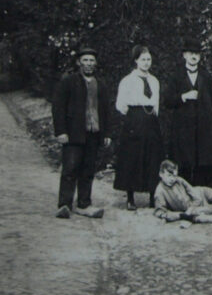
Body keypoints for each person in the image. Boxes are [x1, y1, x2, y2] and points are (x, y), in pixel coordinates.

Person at [52, 45, 111, 219]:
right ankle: (64, 204)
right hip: (73, 134)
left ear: (96, 63)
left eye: (92, 61)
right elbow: (58, 107)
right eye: (85, 60)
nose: (89, 64)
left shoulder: (101, 84)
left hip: (93, 133)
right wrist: (61, 131)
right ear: (79, 62)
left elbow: (106, 111)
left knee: (88, 170)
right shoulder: (69, 82)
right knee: (70, 169)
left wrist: (106, 133)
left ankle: (84, 203)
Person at [163, 42, 212, 186]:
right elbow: (167, 101)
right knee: (184, 162)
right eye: (190, 53)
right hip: (183, 127)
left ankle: (200, 195)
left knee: (203, 162)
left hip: (203, 127)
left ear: (200, 57)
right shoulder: (176, 75)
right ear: (184, 56)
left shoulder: (206, 76)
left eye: (196, 54)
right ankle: (183, 193)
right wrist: (183, 97)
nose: (194, 56)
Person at [114, 45, 163, 211]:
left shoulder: (154, 81)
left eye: (149, 59)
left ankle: (151, 197)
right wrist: (135, 118)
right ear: (136, 60)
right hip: (134, 120)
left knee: (152, 156)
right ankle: (130, 198)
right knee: (132, 157)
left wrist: (151, 117)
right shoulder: (128, 81)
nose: (146, 63)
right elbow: (121, 105)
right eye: (143, 59)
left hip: (151, 121)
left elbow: (156, 105)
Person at [152, 160, 212, 225]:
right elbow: (160, 211)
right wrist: (181, 214)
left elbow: (196, 196)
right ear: (161, 174)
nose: (172, 179)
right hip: (194, 210)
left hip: (202, 193)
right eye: (169, 175)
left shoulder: (179, 180)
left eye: (175, 176)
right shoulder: (160, 191)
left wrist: (191, 208)